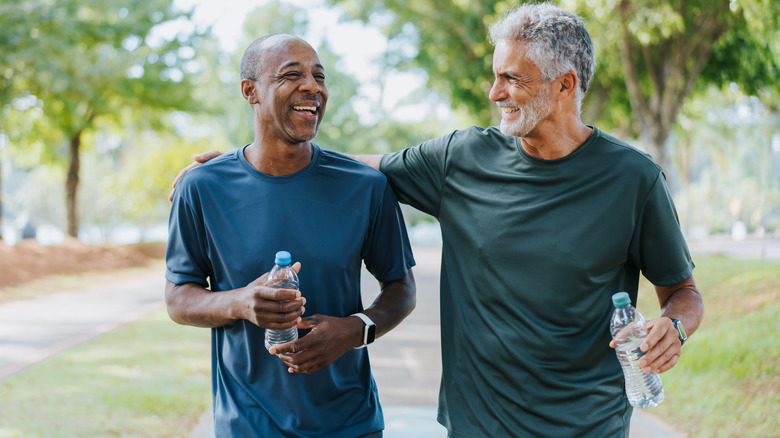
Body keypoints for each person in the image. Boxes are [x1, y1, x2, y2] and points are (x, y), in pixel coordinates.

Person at [172, 4, 704, 437]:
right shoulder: (462, 158)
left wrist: (673, 327)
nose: (494, 93)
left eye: (511, 79)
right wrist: (239, 162)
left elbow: (683, 291)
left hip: (591, 425)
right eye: (495, 76)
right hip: (477, 426)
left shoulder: (634, 179)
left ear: (564, 86)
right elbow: (350, 168)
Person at [165, 33, 416, 438]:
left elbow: (402, 288)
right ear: (251, 92)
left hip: (350, 424)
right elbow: (178, 299)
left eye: (319, 76)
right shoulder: (202, 188)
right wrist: (242, 303)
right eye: (291, 75)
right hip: (247, 425)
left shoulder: (367, 187)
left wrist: (355, 329)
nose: (312, 87)